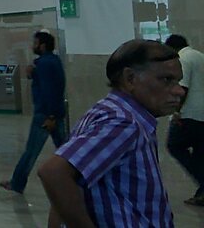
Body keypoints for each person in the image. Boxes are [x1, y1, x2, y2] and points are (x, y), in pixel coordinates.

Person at [38, 39, 184, 227]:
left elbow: (67, 186)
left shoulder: (106, 111)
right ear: (130, 79)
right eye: (166, 80)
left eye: (178, 81)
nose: (179, 91)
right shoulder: (123, 122)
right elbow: (54, 173)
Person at [0, 30, 67, 194]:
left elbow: (49, 90)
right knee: (66, 150)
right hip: (56, 112)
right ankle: (80, 179)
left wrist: (50, 116)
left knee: (31, 151)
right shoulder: (53, 61)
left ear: (42, 46)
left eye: (35, 43)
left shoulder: (43, 64)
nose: (33, 46)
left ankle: (17, 183)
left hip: (45, 115)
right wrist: (33, 74)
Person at [166, 34, 204, 205]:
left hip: (190, 114)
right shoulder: (200, 56)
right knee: (199, 153)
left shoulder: (183, 58)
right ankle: (202, 193)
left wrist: (176, 111)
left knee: (174, 145)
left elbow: (183, 88)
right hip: (202, 115)